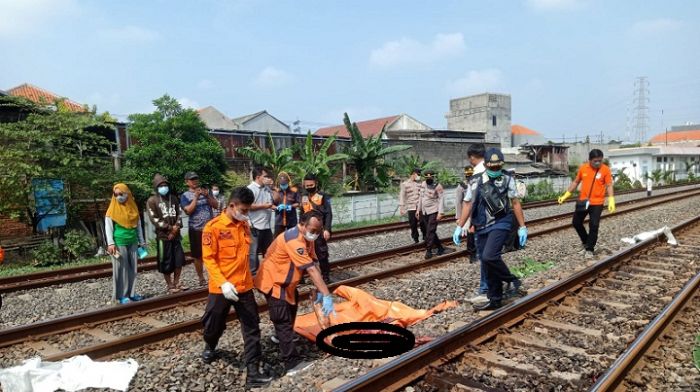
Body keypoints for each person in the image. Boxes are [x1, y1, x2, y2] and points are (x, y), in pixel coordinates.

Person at [200, 187, 273, 387]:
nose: (246, 213)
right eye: (243, 209)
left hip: (243, 286)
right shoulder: (213, 227)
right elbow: (209, 259)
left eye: (248, 210)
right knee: (213, 324)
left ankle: (253, 373)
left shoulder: (244, 225)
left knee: (252, 328)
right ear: (231, 205)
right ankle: (210, 344)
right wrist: (223, 283)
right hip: (221, 286)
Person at [254, 210, 336, 376]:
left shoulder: (307, 237)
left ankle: (280, 337)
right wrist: (326, 294)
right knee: (282, 317)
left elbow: (314, 261)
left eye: (318, 231)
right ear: (302, 225)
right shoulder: (294, 240)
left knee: (291, 305)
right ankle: (292, 363)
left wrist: (319, 289)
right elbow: (311, 270)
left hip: (286, 283)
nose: (315, 234)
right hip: (274, 282)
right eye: (312, 230)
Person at [453, 148, 528, 310]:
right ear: (486, 165)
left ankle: (511, 279)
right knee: (487, 263)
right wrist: (459, 227)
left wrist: (522, 226)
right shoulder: (474, 180)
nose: (495, 170)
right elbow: (467, 203)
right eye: (491, 167)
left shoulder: (507, 179)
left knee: (489, 256)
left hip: (501, 223)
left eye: (497, 167)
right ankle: (495, 299)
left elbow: (515, 202)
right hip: (481, 225)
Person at [557, 149, 615, 259]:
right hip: (583, 201)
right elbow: (576, 182)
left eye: (600, 161)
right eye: (595, 161)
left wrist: (611, 199)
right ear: (590, 160)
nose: (598, 163)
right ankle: (586, 243)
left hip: (597, 203)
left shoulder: (605, 170)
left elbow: (609, 185)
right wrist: (566, 195)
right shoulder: (583, 168)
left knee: (594, 225)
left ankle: (589, 249)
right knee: (576, 222)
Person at [105, 183, 146, 304]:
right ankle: (121, 296)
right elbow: (108, 228)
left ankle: (132, 293)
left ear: (127, 193)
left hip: (132, 241)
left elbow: (138, 227)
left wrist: (142, 242)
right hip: (118, 243)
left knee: (132, 268)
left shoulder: (134, 209)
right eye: (116, 194)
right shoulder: (112, 210)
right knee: (121, 269)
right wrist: (111, 243)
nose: (118, 197)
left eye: (121, 194)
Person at [147, 174, 186, 294]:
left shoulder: (174, 199)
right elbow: (154, 219)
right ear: (156, 187)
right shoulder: (152, 201)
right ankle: (169, 285)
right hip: (163, 237)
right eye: (161, 185)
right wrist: (169, 228)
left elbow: (179, 214)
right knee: (166, 262)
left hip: (176, 235)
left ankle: (176, 283)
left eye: (165, 185)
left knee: (179, 260)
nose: (164, 187)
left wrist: (176, 228)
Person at [181, 171, 217, 286]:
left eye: (196, 179)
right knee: (198, 255)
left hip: (210, 228)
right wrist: (196, 198)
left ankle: (214, 275)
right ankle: (201, 278)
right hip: (196, 229)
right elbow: (188, 210)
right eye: (192, 179)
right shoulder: (185, 195)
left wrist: (207, 195)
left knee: (214, 253)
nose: (195, 181)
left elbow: (215, 205)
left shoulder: (206, 191)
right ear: (187, 182)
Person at [300, 173, 333, 283]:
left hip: (319, 229)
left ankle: (325, 276)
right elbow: (301, 212)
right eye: (307, 185)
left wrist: (327, 229)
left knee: (321, 253)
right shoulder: (304, 196)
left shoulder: (323, 196)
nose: (309, 187)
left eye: (311, 185)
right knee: (302, 252)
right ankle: (301, 277)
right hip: (305, 229)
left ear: (316, 183)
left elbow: (328, 213)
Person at [248, 167, 275, 277]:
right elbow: (247, 206)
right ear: (258, 177)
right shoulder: (250, 189)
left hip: (266, 225)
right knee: (253, 252)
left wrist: (273, 187)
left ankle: (268, 272)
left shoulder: (267, 188)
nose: (267, 178)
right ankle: (254, 275)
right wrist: (264, 206)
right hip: (255, 225)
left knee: (269, 251)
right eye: (265, 176)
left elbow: (274, 200)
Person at [417, 169, 445, 259]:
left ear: (433, 177)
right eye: (427, 177)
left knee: (430, 231)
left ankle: (428, 250)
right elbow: (421, 198)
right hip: (425, 211)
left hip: (434, 210)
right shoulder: (423, 184)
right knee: (430, 230)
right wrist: (418, 210)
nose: (429, 178)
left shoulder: (438, 186)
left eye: (430, 177)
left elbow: (441, 200)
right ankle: (440, 247)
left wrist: (440, 212)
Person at [456, 166, 477, 262]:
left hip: (477, 212)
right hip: (467, 214)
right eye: (468, 176)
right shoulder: (462, 186)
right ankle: (472, 254)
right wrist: (459, 218)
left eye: (471, 175)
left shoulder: (477, 183)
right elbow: (458, 202)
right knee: (470, 234)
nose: (470, 177)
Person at [399, 168, 426, 244]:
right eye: (418, 174)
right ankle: (415, 239)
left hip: (420, 207)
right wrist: (401, 207)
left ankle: (425, 237)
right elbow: (402, 196)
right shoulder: (405, 184)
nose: (419, 176)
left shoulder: (420, 183)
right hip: (411, 207)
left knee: (423, 223)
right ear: (413, 174)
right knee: (413, 224)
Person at [272, 171, 300, 237]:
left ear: (288, 182)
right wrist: (277, 208)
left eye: (285, 184)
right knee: (277, 240)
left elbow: (299, 203)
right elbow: (271, 204)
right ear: (279, 183)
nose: (283, 185)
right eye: (282, 184)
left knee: (292, 239)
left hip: (291, 220)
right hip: (279, 221)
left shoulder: (294, 191)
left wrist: (290, 206)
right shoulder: (276, 192)